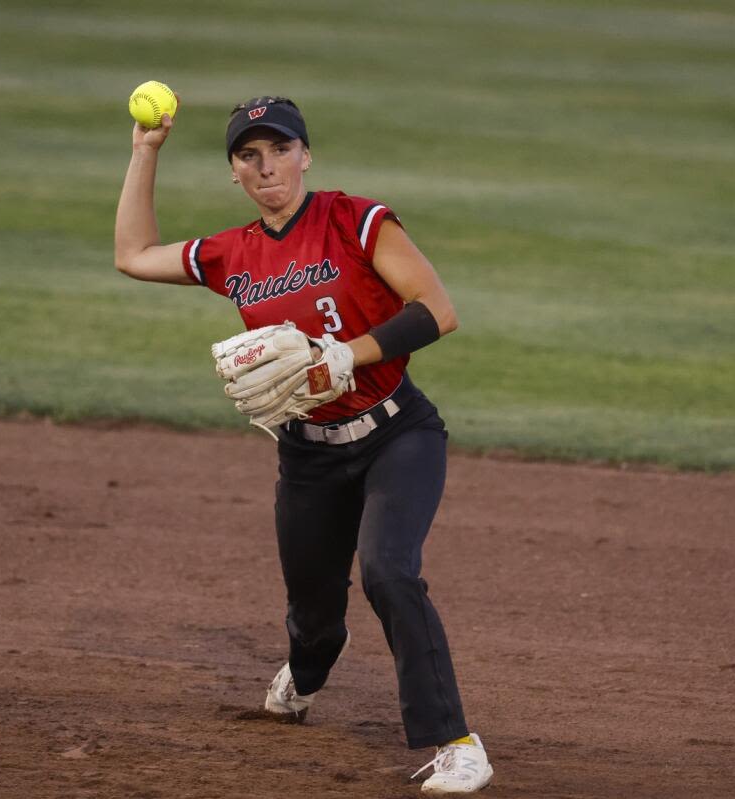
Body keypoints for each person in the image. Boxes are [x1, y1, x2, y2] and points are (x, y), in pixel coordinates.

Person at [114, 95, 494, 795]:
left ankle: (456, 742)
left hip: (397, 432)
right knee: (313, 621)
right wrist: (146, 150)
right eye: (248, 156)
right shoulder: (233, 253)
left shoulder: (357, 219)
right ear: (234, 172)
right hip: (308, 456)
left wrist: (349, 356)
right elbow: (133, 255)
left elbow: (436, 310)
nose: (267, 168)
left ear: (305, 154)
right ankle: (311, 668)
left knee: (389, 571)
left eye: (280, 150)